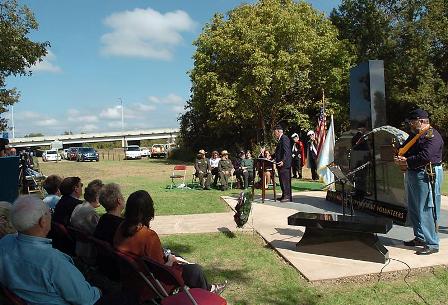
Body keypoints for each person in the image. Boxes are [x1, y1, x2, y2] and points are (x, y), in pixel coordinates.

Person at [0, 195, 137, 305]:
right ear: (42, 221)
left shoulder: (5, 243)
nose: (50, 216)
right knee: (129, 297)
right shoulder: (53, 261)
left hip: (24, 297)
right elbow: (87, 299)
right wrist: (99, 291)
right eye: (48, 213)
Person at [113, 190, 226, 294]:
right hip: (152, 284)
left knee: (177, 256)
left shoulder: (120, 228)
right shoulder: (148, 236)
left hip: (134, 279)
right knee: (195, 270)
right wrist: (171, 260)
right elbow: (162, 270)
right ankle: (207, 293)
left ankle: (208, 288)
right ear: (148, 210)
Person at [394, 109, 444, 255]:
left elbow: (426, 156)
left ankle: (432, 243)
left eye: (412, 121)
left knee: (427, 207)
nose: (410, 124)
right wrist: (399, 155)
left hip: (427, 173)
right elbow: (406, 149)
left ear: (421, 121)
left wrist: (407, 160)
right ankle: (420, 237)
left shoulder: (432, 135)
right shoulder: (415, 135)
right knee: (414, 207)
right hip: (413, 173)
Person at [94, 183, 126, 282]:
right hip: (120, 271)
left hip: (104, 267)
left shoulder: (103, 219)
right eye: (122, 196)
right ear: (119, 200)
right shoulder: (121, 226)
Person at [271, 125, 292, 202]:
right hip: (280, 164)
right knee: (282, 180)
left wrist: (283, 161)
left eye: (275, 132)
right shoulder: (281, 139)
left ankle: (287, 196)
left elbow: (287, 152)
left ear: (278, 131)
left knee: (285, 181)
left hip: (284, 164)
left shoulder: (284, 138)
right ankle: (284, 195)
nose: (274, 134)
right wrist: (271, 157)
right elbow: (278, 152)